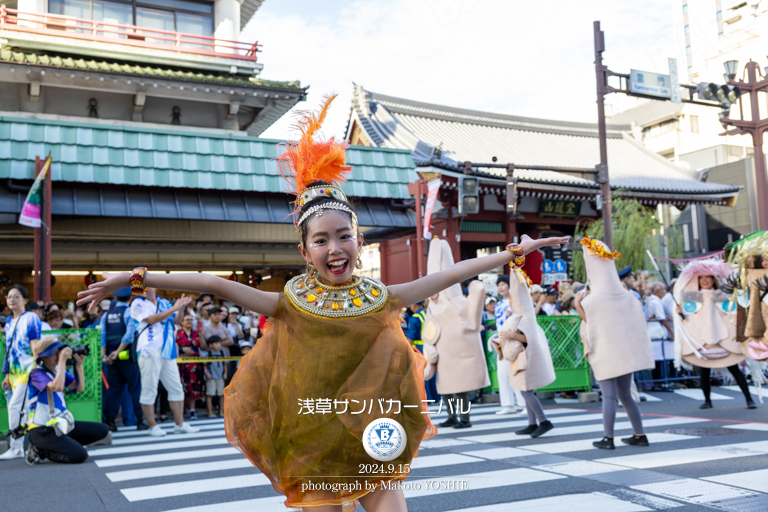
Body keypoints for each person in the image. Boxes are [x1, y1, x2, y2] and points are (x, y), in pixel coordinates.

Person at [77, 95, 567, 512]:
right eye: (322, 240)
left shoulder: (380, 297)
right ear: (304, 250)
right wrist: (135, 277)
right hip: (311, 432)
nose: (336, 248)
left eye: (345, 236)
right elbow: (214, 283)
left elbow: (443, 275)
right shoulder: (290, 301)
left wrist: (508, 253)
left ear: (358, 240)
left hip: (376, 426)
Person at [575, 236, 654, 450]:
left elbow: (588, 321)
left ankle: (608, 438)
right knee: (626, 395)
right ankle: (640, 434)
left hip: (605, 351)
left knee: (608, 396)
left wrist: (576, 303)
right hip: (626, 351)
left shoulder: (590, 300)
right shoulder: (628, 296)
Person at [673, 259, 755, 409]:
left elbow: (732, 313)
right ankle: (707, 400)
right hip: (702, 340)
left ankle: (749, 399)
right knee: (704, 371)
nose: (705, 280)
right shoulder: (691, 297)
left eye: (708, 277)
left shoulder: (723, 294)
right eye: (701, 278)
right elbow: (688, 317)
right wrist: (680, 313)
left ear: (714, 279)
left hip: (724, 340)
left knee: (734, 369)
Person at [492, 267, 556, 438]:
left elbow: (529, 338)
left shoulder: (524, 317)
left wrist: (511, 335)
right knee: (526, 391)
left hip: (524, 359)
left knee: (526, 391)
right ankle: (532, 423)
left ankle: (543, 421)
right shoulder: (521, 316)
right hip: (520, 358)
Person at [25, 337, 110, 464]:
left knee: (103, 429)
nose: (58, 354)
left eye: (59, 350)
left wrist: (79, 365)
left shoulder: (58, 371)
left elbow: (78, 387)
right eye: (55, 352)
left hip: (59, 425)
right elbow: (57, 386)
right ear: (44, 356)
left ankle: (63, 445)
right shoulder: (36, 373)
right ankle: (41, 450)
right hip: (42, 430)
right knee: (79, 455)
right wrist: (62, 362)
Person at [131, 288, 199, 436]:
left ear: (154, 286)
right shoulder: (137, 302)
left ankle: (179, 423)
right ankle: (152, 426)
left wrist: (180, 309)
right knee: (150, 388)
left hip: (167, 349)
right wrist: (174, 307)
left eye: (148, 285)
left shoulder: (164, 302)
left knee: (176, 388)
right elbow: (151, 319)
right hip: (149, 349)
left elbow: (175, 320)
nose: (144, 289)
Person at [1, 284, 41, 460]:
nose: (12, 299)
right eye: (9, 296)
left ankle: (16, 447)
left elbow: (35, 344)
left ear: (25, 300)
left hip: (28, 371)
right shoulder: (9, 322)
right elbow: (9, 351)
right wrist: (7, 374)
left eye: (16, 296)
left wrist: (37, 367)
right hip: (15, 373)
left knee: (15, 407)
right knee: (21, 409)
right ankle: (20, 446)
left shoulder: (31, 317)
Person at [100, 287, 145, 432]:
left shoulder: (106, 315)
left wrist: (105, 356)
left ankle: (110, 423)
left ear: (115, 298)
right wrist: (119, 351)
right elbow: (129, 335)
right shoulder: (129, 312)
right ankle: (140, 420)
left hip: (111, 359)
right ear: (130, 298)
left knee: (114, 390)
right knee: (135, 388)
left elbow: (102, 336)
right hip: (127, 356)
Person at [493, 275, 525, 415]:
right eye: (498, 285)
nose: (500, 287)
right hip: (501, 339)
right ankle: (508, 404)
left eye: (503, 284)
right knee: (502, 374)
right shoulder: (498, 304)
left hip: (512, 339)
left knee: (515, 372)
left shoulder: (516, 303)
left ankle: (524, 403)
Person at [176, 312, 204, 420]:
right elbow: (172, 346)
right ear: (182, 322)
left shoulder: (196, 333)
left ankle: (192, 410)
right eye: (187, 320)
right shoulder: (177, 332)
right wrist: (182, 349)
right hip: (181, 363)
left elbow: (203, 347)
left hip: (195, 363)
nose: (189, 322)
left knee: (194, 385)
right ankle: (181, 410)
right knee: (181, 385)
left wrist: (201, 336)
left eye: (191, 320)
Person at [200, 335, 227, 418]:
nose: (218, 345)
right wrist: (206, 373)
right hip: (211, 377)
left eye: (219, 343)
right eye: (216, 343)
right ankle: (210, 412)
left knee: (221, 394)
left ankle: (221, 411)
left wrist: (225, 373)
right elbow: (205, 365)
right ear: (210, 345)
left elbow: (225, 364)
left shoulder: (222, 353)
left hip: (220, 376)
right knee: (210, 394)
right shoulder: (207, 354)